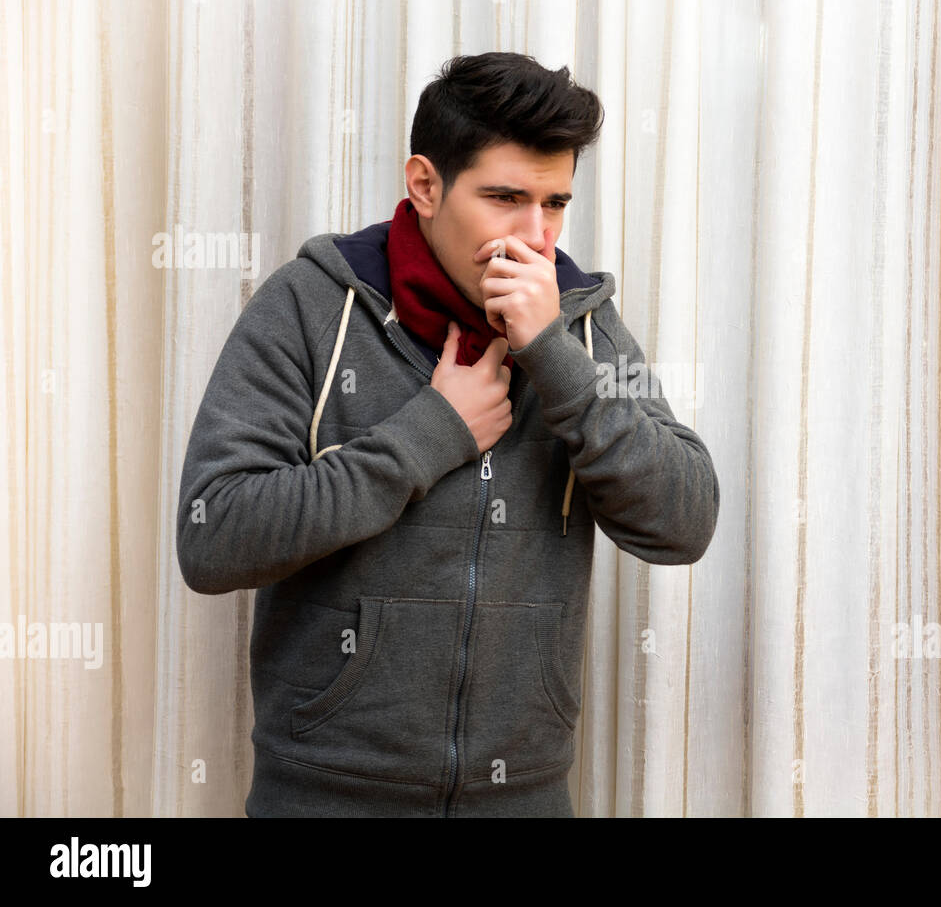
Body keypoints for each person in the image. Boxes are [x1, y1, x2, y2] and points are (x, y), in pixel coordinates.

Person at [174, 51, 720, 817]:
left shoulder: (583, 329)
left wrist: (553, 360)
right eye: (505, 197)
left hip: (523, 797)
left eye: (555, 203)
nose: (534, 237)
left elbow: (685, 521)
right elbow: (214, 535)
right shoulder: (310, 307)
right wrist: (431, 433)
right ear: (425, 184)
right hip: (323, 795)